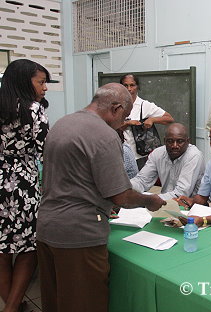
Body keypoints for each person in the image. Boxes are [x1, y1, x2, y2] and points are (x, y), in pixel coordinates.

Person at [36, 83, 166, 312]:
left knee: (55, 300)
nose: (124, 123)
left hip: (47, 227)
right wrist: (149, 200)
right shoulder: (104, 135)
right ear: (115, 108)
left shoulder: (62, 123)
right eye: (124, 116)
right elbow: (121, 196)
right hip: (79, 234)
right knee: (85, 303)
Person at [0, 59, 50, 312]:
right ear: (23, 81)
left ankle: (13, 304)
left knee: (2, 248)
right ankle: (12, 308)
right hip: (21, 184)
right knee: (30, 246)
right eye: (41, 82)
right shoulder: (33, 109)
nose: (45, 88)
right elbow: (46, 150)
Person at [131, 123, 205, 200]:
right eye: (170, 141)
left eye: (180, 141)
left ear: (188, 141)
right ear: (164, 141)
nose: (175, 146)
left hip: (189, 205)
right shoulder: (158, 153)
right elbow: (142, 180)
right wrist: (126, 188)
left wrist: (149, 200)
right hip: (164, 203)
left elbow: (181, 193)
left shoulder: (194, 155)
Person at [120, 74, 174, 169]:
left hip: (139, 156)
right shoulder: (116, 104)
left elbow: (169, 118)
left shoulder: (143, 105)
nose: (129, 89)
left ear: (137, 87)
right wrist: (128, 123)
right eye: (125, 85)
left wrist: (152, 119)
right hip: (119, 154)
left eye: (132, 85)